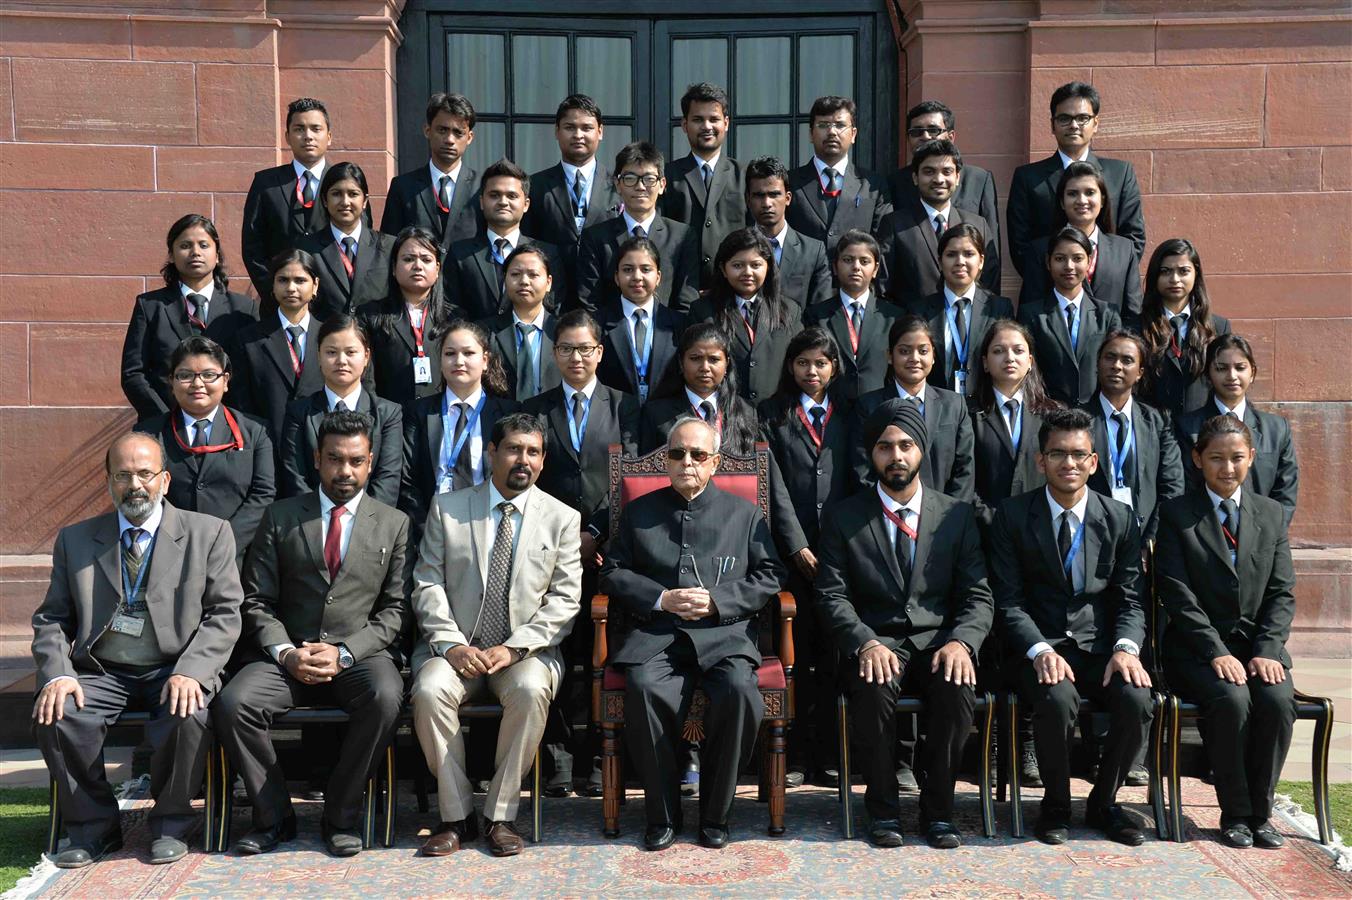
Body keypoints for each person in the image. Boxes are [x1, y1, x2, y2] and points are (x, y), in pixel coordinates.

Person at [32, 432, 243, 868]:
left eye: (145, 474)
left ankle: (171, 825)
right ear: (108, 481)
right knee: (58, 712)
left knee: (189, 712)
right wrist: (59, 673)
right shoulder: (76, 539)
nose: (135, 486)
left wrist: (193, 670)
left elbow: (225, 613)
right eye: (123, 475)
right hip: (102, 670)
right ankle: (93, 829)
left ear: (165, 479)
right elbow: (52, 618)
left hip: (173, 666)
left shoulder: (208, 533)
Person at [213, 411, 413, 858]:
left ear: (370, 462)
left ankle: (340, 816)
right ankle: (273, 817)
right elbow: (256, 600)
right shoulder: (280, 516)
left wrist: (345, 653)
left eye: (356, 461)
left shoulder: (394, 523)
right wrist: (286, 652)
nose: (345, 471)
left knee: (386, 697)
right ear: (318, 459)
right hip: (287, 657)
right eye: (335, 459)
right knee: (234, 703)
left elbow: (396, 610)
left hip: (358, 657)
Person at [599, 416, 786, 851]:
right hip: (658, 636)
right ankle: (662, 815)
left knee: (740, 691)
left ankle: (716, 815)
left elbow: (771, 574)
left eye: (698, 454)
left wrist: (719, 600)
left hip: (724, 636)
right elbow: (612, 572)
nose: (687, 462)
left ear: (714, 462)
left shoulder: (744, 514)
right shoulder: (639, 512)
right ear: (666, 460)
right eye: (678, 453)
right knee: (643, 687)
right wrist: (660, 598)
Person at [816, 399, 993, 849]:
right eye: (885, 447)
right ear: (871, 454)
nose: (896, 456)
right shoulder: (843, 517)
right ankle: (884, 812)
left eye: (906, 446)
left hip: (939, 642)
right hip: (877, 641)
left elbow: (977, 595)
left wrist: (962, 643)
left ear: (922, 450)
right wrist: (864, 642)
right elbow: (831, 595)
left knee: (957, 688)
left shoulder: (956, 515)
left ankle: (939, 814)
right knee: (872, 686)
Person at [410, 413, 582, 857]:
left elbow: (565, 601)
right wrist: (451, 645)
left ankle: (500, 817)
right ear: (491, 453)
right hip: (456, 651)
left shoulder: (562, 518)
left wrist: (515, 648)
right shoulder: (448, 509)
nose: (523, 460)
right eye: (513, 449)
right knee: (429, 689)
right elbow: (427, 584)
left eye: (533, 452)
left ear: (543, 461)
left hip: (525, 653)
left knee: (530, 689)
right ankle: (457, 817)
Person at [989, 408, 1154, 847]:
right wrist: (1039, 650)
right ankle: (1056, 805)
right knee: (1057, 697)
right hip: (1037, 649)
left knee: (1137, 698)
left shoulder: (1119, 518)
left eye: (1079, 454)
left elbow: (1130, 598)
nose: (1069, 463)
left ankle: (1104, 803)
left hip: (1100, 648)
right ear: (1040, 461)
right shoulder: (1012, 516)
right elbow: (1008, 601)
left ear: (1094, 462)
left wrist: (1125, 649)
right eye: (1058, 453)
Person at [1155, 414, 1298, 850]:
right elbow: (1177, 595)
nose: (1227, 468)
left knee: (1277, 701)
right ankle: (1235, 812)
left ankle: (1261, 813)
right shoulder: (1177, 515)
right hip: (1197, 650)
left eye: (1237, 458)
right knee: (1232, 699)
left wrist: (1268, 649)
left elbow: (1282, 592)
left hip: (1258, 648)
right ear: (1198, 459)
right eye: (1216, 458)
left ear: (1251, 457)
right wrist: (1216, 651)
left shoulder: (1271, 514)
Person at [523, 309, 640, 797]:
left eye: (585, 348)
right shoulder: (536, 408)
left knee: (603, 655)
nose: (576, 357)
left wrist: (594, 531)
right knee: (553, 652)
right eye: (567, 349)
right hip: (548, 550)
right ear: (554, 354)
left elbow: (630, 476)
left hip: (606, 552)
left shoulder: (626, 406)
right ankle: (557, 760)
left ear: (600, 352)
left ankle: (599, 757)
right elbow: (530, 479)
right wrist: (566, 535)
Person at [757, 327, 856, 787]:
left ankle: (831, 754)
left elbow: (857, 481)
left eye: (820, 363)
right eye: (802, 363)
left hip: (840, 555)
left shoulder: (850, 413)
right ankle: (793, 755)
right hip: (788, 555)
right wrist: (796, 544)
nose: (811, 371)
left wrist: (837, 548)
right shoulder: (771, 414)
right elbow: (772, 485)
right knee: (792, 658)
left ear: (834, 367)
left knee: (835, 658)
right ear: (790, 366)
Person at [133, 337, 275, 566]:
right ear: (171, 381)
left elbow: (264, 494)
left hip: (236, 559)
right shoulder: (148, 434)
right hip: (169, 556)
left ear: (225, 381)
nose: (197, 383)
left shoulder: (255, 431)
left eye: (209, 375)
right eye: (185, 375)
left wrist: (224, 542)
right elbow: (142, 492)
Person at [122, 214, 258, 420]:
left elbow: (252, 374)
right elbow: (133, 373)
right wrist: (165, 419)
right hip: (163, 424)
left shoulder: (243, 308)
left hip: (227, 426)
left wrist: (229, 421)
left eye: (204, 245)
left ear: (217, 255)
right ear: (171, 255)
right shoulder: (150, 306)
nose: (195, 252)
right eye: (185, 246)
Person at [1007, 81, 1146, 275]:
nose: (1073, 125)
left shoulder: (1120, 174)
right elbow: (1020, 246)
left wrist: (1104, 280)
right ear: (1052, 125)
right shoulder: (1028, 178)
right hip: (1047, 288)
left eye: (1082, 118)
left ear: (1095, 123)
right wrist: (1063, 281)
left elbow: (1134, 239)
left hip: (1107, 287)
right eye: (1064, 118)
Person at [399, 320, 519, 541]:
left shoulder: (507, 413)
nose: (459, 361)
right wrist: (427, 529)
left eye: (468, 353)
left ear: (485, 361)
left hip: (490, 528)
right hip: (432, 529)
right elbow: (408, 480)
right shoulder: (419, 412)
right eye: (450, 353)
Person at [1174, 334, 1298, 528]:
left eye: (1240, 367)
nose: (1232, 376)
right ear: (1208, 374)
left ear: (1252, 372)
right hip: (1202, 534)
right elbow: (1183, 489)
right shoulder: (1186, 428)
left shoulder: (1276, 429)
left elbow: (1285, 493)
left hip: (1263, 536)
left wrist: (1268, 534)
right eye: (1221, 368)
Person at [278, 315, 404, 506]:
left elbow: (387, 481)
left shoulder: (388, 414)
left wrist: (355, 519)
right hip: (310, 518)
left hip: (371, 520)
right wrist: (327, 517)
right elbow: (295, 479)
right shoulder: (299, 413)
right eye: (331, 352)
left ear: (366, 356)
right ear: (319, 356)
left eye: (351, 352)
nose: (341, 361)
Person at [853, 316, 975, 502]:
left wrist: (949, 513)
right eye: (904, 351)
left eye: (923, 351)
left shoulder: (954, 405)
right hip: (886, 513)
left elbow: (965, 469)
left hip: (945, 514)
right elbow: (862, 470)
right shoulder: (869, 406)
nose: (914, 358)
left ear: (933, 356)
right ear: (890, 356)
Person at [1084, 331, 1184, 545]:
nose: (1116, 366)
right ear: (1098, 364)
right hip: (1091, 539)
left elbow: (1172, 485)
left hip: (1146, 539)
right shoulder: (1079, 420)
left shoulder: (1158, 421)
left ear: (1139, 373)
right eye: (1110, 357)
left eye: (1127, 360)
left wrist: (1151, 540)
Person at [576, 141, 700, 313]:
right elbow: (590, 304)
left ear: (662, 185)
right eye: (630, 179)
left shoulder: (682, 236)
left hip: (668, 328)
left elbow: (686, 303)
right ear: (617, 184)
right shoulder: (595, 237)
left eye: (649, 179)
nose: (640, 187)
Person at [1017, 162, 1143, 324]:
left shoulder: (1124, 250)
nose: (1082, 200)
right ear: (1062, 202)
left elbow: (1133, 314)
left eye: (1090, 193)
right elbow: (1029, 316)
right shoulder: (1040, 249)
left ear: (1102, 200)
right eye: (1072, 194)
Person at [689, 228, 803, 406]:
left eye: (756, 265)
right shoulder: (703, 311)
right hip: (726, 411)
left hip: (776, 412)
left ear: (768, 267)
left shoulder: (789, 310)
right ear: (723, 269)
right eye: (738, 265)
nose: (747, 272)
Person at [228, 249, 328, 448]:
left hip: (322, 445)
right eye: (283, 280)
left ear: (315, 285)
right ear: (273, 286)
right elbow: (241, 403)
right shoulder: (249, 340)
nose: (291, 288)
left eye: (300, 280)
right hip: (267, 446)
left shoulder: (330, 336)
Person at [446, 159, 568, 321]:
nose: (503, 202)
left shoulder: (548, 254)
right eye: (494, 195)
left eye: (512, 196)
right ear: (482, 202)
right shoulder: (460, 254)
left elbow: (554, 308)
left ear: (526, 204)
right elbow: (451, 310)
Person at [881, 139, 1000, 304]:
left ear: (957, 177)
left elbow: (990, 282)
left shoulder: (978, 225)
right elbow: (883, 287)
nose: (938, 179)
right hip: (911, 319)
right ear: (915, 177)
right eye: (929, 172)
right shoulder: (895, 225)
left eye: (947, 171)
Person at [357, 226, 464, 408]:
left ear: (437, 269)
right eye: (408, 259)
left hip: (440, 416)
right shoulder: (370, 315)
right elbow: (366, 377)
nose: (418, 266)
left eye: (426, 259)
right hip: (390, 415)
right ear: (393, 268)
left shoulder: (455, 317)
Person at [903, 223, 1014, 397]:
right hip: (937, 405)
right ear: (940, 262)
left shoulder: (999, 308)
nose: (960, 262)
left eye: (968, 254)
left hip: (985, 404)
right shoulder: (919, 310)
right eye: (951, 254)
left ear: (981, 261)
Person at [1018, 227, 1123, 407]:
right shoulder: (1031, 315)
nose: (1069, 266)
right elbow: (1028, 371)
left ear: (1089, 261)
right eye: (1060, 259)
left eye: (1077, 258)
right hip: (1048, 413)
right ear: (1048, 262)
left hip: (1096, 414)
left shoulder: (1107, 314)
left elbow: (1115, 366)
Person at [522, 94, 622, 284]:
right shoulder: (535, 186)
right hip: (551, 289)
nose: (578, 135)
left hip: (605, 289)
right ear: (557, 131)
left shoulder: (618, 186)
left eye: (587, 128)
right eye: (570, 127)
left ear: (600, 131)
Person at [969, 319, 1058, 531]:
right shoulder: (967, 413)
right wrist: (992, 519)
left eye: (1018, 351)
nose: (1009, 358)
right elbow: (963, 477)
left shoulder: (1053, 414)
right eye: (998, 351)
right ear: (985, 363)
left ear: (1030, 362)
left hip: (1041, 528)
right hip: (984, 530)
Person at [241, 98, 334, 299]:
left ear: (329, 137)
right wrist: (275, 291)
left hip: (333, 302)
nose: (308, 136)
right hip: (281, 300)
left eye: (316, 129)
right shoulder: (266, 183)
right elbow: (252, 247)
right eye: (299, 129)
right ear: (287, 137)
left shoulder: (344, 183)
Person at [661, 83, 748, 284]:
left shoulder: (744, 175)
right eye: (698, 119)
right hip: (681, 288)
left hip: (731, 288)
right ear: (685, 125)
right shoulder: (667, 176)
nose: (707, 126)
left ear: (726, 123)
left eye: (714, 119)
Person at [802, 229, 904, 401]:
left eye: (864, 261)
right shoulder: (816, 315)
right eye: (848, 260)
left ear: (875, 269)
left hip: (879, 409)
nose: (856, 267)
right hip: (833, 408)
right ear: (835, 266)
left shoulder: (893, 316)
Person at [888, 100, 1000, 254]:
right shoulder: (894, 182)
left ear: (951, 136)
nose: (925, 136)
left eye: (934, 130)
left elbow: (990, 245)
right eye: (916, 132)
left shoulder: (979, 179)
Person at [1140, 238, 1232, 421]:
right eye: (1165, 271)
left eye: (1183, 271)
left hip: (1201, 429)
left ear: (1196, 274)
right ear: (1155, 276)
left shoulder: (1218, 326)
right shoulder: (1136, 326)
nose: (1175, 279)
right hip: (1152, 426)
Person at [784, 95, 892, 251]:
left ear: (853, 134)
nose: (832, 132)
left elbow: (884, 244)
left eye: (840, 125)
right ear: (811, 134)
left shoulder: (874, 185)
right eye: (823, 125)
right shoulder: (789, 182)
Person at [637, 322, 760, 456]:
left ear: (727, 364)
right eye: (695, 358)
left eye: (714, 359)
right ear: (681, 363)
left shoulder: (746, 411)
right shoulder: (657, 414)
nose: (705, 367)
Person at [380, 92, 483, 251]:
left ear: (469, 137)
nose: (449, 140)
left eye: (458, 133)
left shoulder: (482, 187)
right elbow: (388, 247)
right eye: (442, 130)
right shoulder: (402, 187)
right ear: (427, 130)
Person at [295, 161, 395, 320]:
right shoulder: (306, 249)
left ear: (365, 201)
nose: (345, 202)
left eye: (353, 194)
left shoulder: (389, 246)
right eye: (336, 194)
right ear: (325, 200)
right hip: (327, 334)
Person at [595, 237, 687, 405]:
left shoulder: (679, 323)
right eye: (628, 270)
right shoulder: (597, 323)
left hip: (664, 416)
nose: (637, 277)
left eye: (646, 269)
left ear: (658, 277)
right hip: (615, 414)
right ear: (616, 277)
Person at [745, 156, 832, 309]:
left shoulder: (813, 252)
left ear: (787, 198)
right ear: (748, 199)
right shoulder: (735, 249)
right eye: (759, 195)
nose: (767, 203)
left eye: (774, 194)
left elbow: (821, 311)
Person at [480, 244, 562, 401]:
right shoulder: (484, 331)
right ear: (505, 280)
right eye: (515, 274)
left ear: (549, 282)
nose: (524, 281)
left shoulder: (562, 331)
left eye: (533, 275)